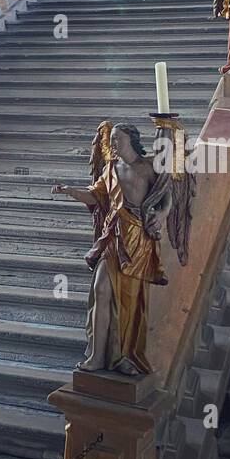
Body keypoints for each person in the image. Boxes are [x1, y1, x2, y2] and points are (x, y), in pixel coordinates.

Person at [53, 122, 171, 376]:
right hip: (114, 235)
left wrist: (161, 215)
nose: (113, 144)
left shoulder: (148, 167)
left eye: (118, 139)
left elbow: (166, 196)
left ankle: (124, 356)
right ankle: (97, 354)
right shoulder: (110, 168)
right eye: (112, 140)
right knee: (101, 289)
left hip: (138, 241)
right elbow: (96, 196)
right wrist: (70, 191)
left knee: (127, 301)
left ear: (132, 140)